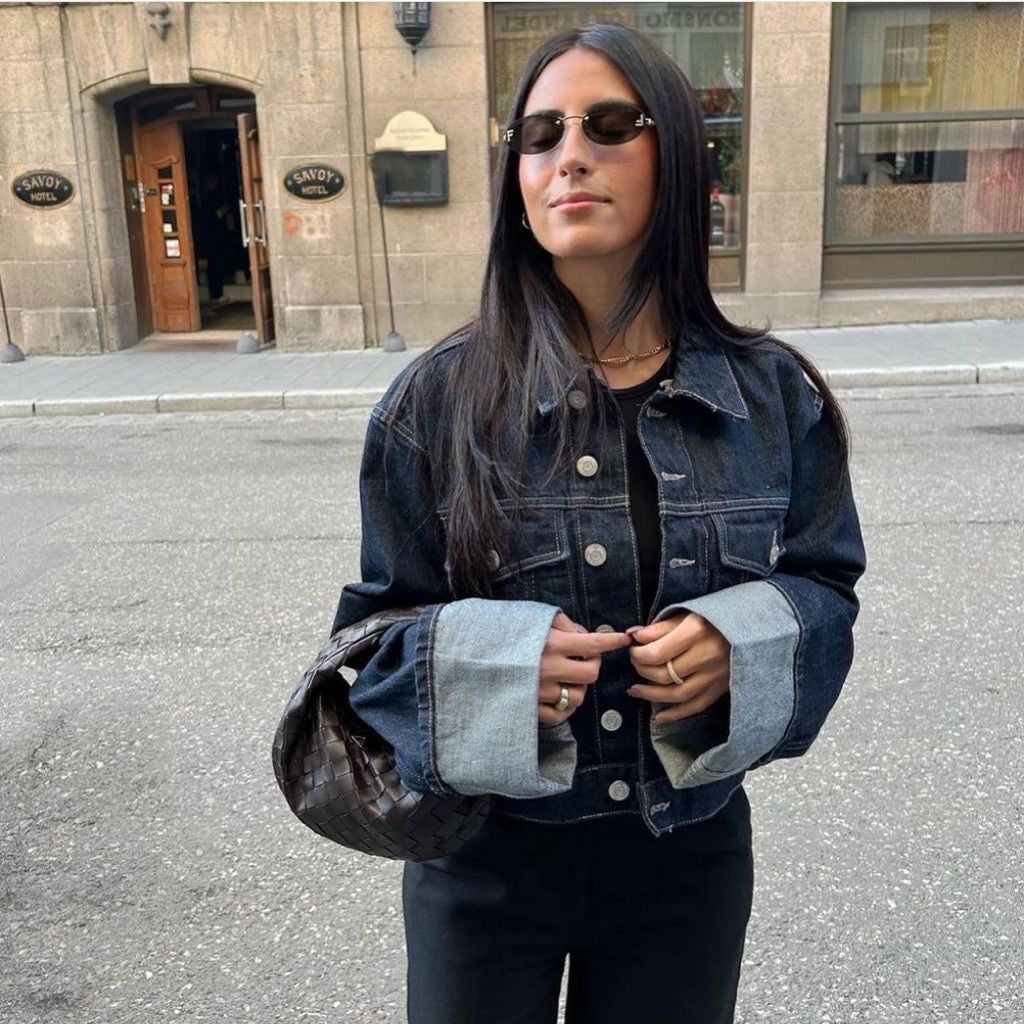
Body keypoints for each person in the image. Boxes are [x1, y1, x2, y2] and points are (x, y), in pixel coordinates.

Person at [329, 22, 866, 1024]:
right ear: (516, 181)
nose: (568, 154)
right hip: (484, 859)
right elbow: (369, 648)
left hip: (685, 858)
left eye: (609, 124)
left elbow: (827, 591)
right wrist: (494, 662)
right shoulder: (435, 402)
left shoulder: (773, 395)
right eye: (539, 135)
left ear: (677, 153)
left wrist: (744, 641)